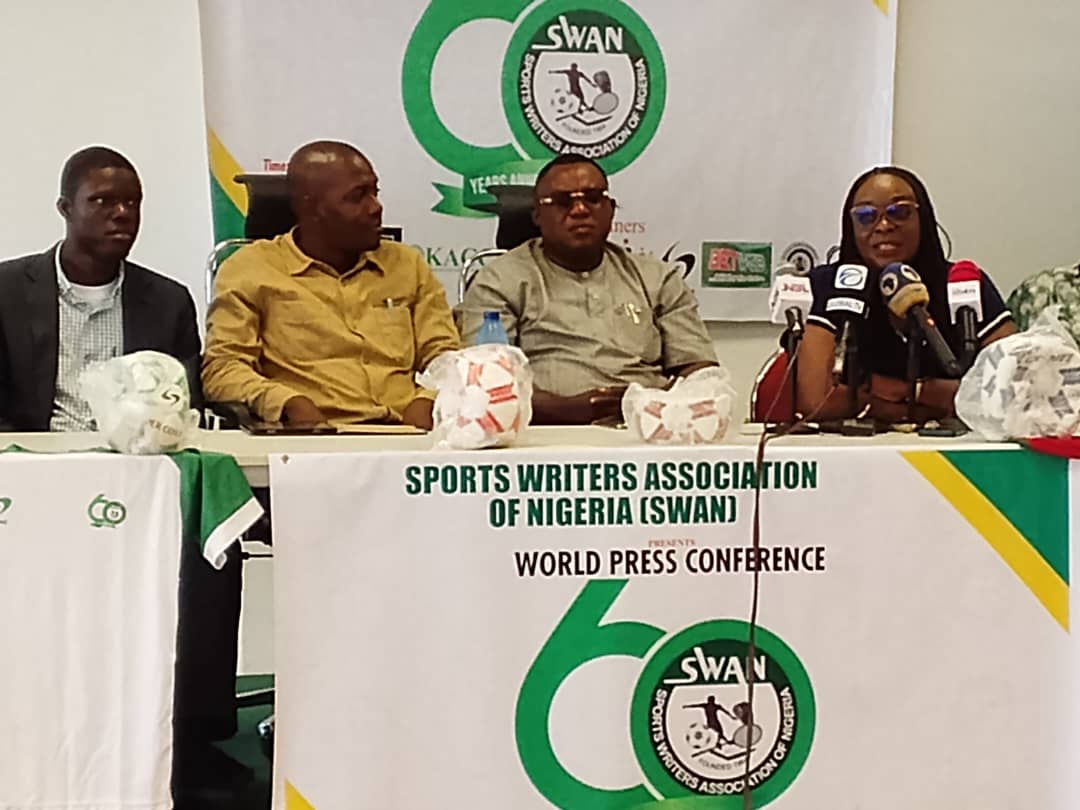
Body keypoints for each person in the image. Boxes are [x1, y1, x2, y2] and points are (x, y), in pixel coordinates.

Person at [0, 147, 249, 798]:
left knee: (211, 556)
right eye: (103, 202)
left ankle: (192, 737)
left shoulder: (165, 300)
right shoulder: (5, 289)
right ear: (65, 209)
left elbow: (182, 401)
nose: (121, 214)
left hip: (136, 478)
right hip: (37, 480)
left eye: (132, 202)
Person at [202, 140, 459, 429]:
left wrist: (429, 398)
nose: (376, 207)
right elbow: (222, 369)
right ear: (310, 208)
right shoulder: (251, 269)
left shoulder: (408, 265)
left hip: (409, 433)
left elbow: (446, 356)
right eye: (357, 197)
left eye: (375, 192)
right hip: (314, 436)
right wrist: (284, 402)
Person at [459, 154, 717, 424]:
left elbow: (700, 370)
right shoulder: (499, 280)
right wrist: (568, 410)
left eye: (592, 198)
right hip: (545, 435)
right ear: (537, 215)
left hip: (648, 429)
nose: (580, 210)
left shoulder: (657, 278)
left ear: (610, 209)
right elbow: (484, 385)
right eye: (562, 202)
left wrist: (660, 406)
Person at [797, 166, 1016, 423]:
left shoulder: (963, 283)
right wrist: (929, 405)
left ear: (923, 219)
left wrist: (911, 390)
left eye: (899, 212)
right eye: (866, 216)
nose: (883, 226)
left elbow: (1010, 392)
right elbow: (818, 400)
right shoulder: (828, 286)